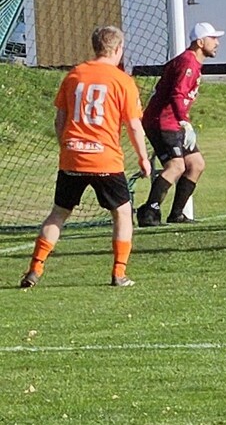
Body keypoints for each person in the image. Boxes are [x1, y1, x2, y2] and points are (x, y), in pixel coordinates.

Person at [20, 26, 152, 288]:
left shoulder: (74, 75)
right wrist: (143, 158)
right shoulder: (122, 81)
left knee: (59, 213)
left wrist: (66, 146)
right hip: (105, 159)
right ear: (118, 49)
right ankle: (119, 273)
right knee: (122, 212)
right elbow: (134, 125)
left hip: (73, 156)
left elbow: (59, 119)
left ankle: (35, 269)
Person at [135, 22, 223, 227]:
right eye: (213, 38)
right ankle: (149, 211)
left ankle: (176, 214)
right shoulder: (188, 63)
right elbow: (177, 94)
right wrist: (184, 121)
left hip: (174, 122)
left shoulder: (192, 62)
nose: (217, 42)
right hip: (163, 122)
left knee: (196, 164)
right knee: (176, 166)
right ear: (200, 42)